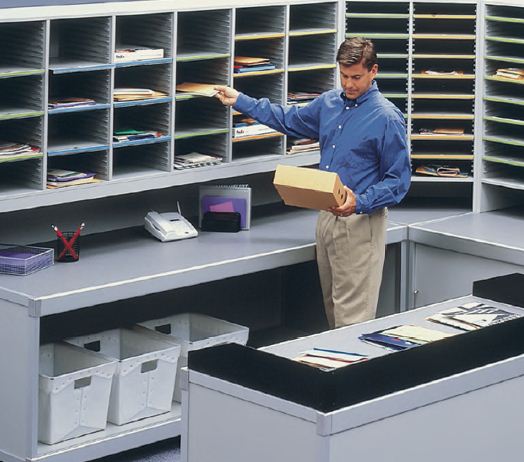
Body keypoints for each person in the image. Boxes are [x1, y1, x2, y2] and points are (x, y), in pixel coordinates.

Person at [215, 37, 411, 329]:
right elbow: (288, 119)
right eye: (344, 76)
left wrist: (360, 201)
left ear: (373, 71)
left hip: (360, 222)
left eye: (356, 77)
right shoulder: (329, 104)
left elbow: (399, 181)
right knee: (333, 311)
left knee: (352, 321)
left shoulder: (386, 117)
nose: (349, 84)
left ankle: (352, 373)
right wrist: (241, 101)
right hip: (326, 216)